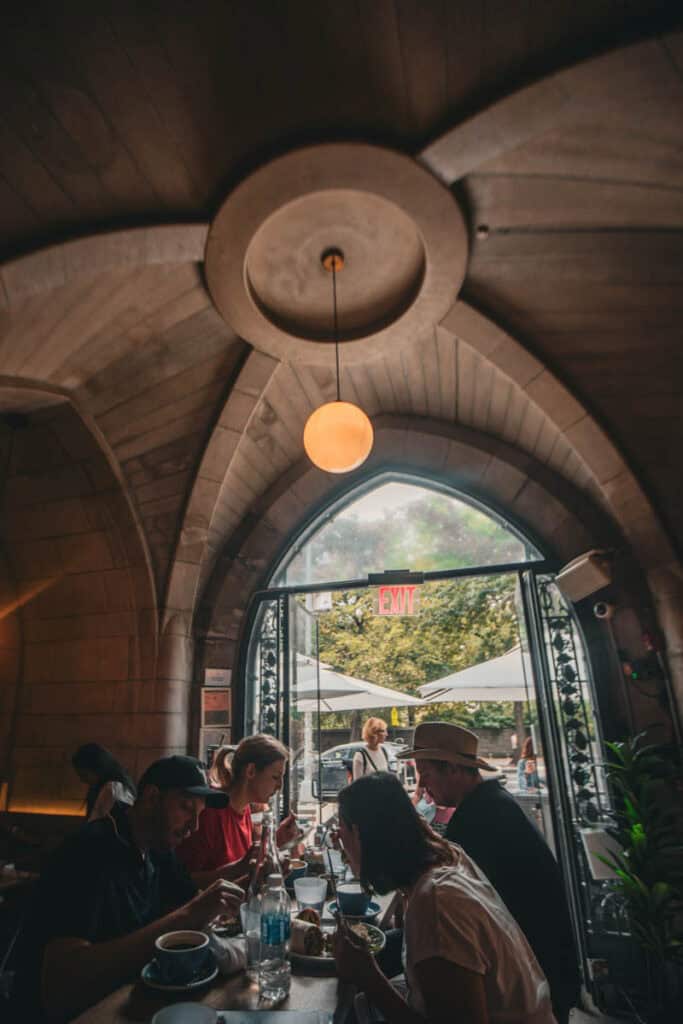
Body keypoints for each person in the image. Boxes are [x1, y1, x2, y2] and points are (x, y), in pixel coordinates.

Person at [11, 755, 243, 1023]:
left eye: (199, 814)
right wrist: (189, 914)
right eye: (186, 808)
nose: (194, 826)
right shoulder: (88, 852)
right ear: (153, 797)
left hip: (128, 1004)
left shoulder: (159, 850)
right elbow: (60, 990)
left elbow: (193, 908)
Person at [334, 772, 556, 1024]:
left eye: (341, 833)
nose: (341, 844)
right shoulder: (449, 856)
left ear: (360, 834)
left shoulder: (437, 905)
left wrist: (369, 978)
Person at [399, 722, 580, 1024]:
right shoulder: (492, 804)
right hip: (539, 976)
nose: (422, 784)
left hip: (532, 985)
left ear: (454, 769)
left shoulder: (479, 820)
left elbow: (453, 908)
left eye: (425, 772)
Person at [176, 733, 298, 886]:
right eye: (275, 777)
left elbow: (245, 869)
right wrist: (239, 868)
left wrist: (277, 842)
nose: (280, 786)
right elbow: (182, 884)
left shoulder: (245, 809)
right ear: (251, 771)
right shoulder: (210, 812)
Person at [72, 742, 136, 820]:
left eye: (84, 775)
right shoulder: (112, 787)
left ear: (98, 768)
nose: (82, 780)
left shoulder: (112, 788)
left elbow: (96, 824)